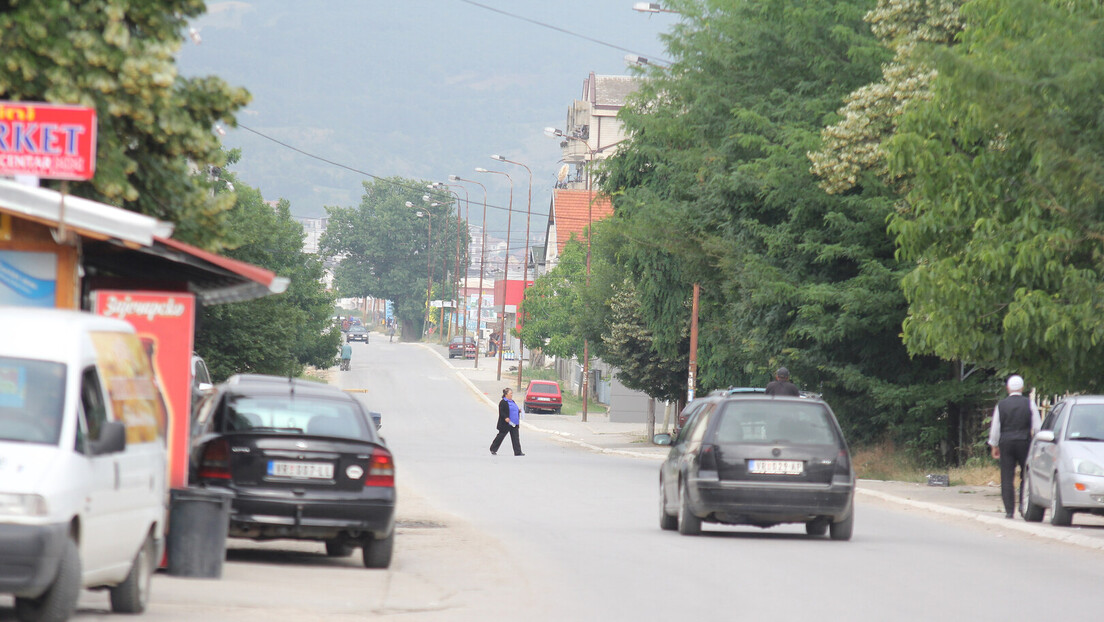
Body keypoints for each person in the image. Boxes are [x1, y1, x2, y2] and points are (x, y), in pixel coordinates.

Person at [988, 374, 1041, 518]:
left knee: (1007, 477)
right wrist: (1037, 444)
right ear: (1023, 388)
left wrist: (994, 445)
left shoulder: (1001, 405)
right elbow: (1037, 427)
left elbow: (995, 428)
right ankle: (1023, 506)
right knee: (1026, 475)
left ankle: (1009, 511)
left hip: (1006, 443)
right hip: (1024, 442)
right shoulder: (1029, 403)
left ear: (1007, 388)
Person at [489, 387, 524, 456]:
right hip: (506, 424)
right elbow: (502, 411)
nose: (511, 395)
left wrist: (518, 411)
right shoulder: (503, 402)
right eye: (510, 393)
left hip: (514, 423)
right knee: (501, 436)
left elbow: (514, 409)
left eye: (512, 393)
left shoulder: (512, 401)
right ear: (506, 394)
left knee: (515, 438)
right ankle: (493, 449)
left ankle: (518, 452)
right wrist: (506, 417)